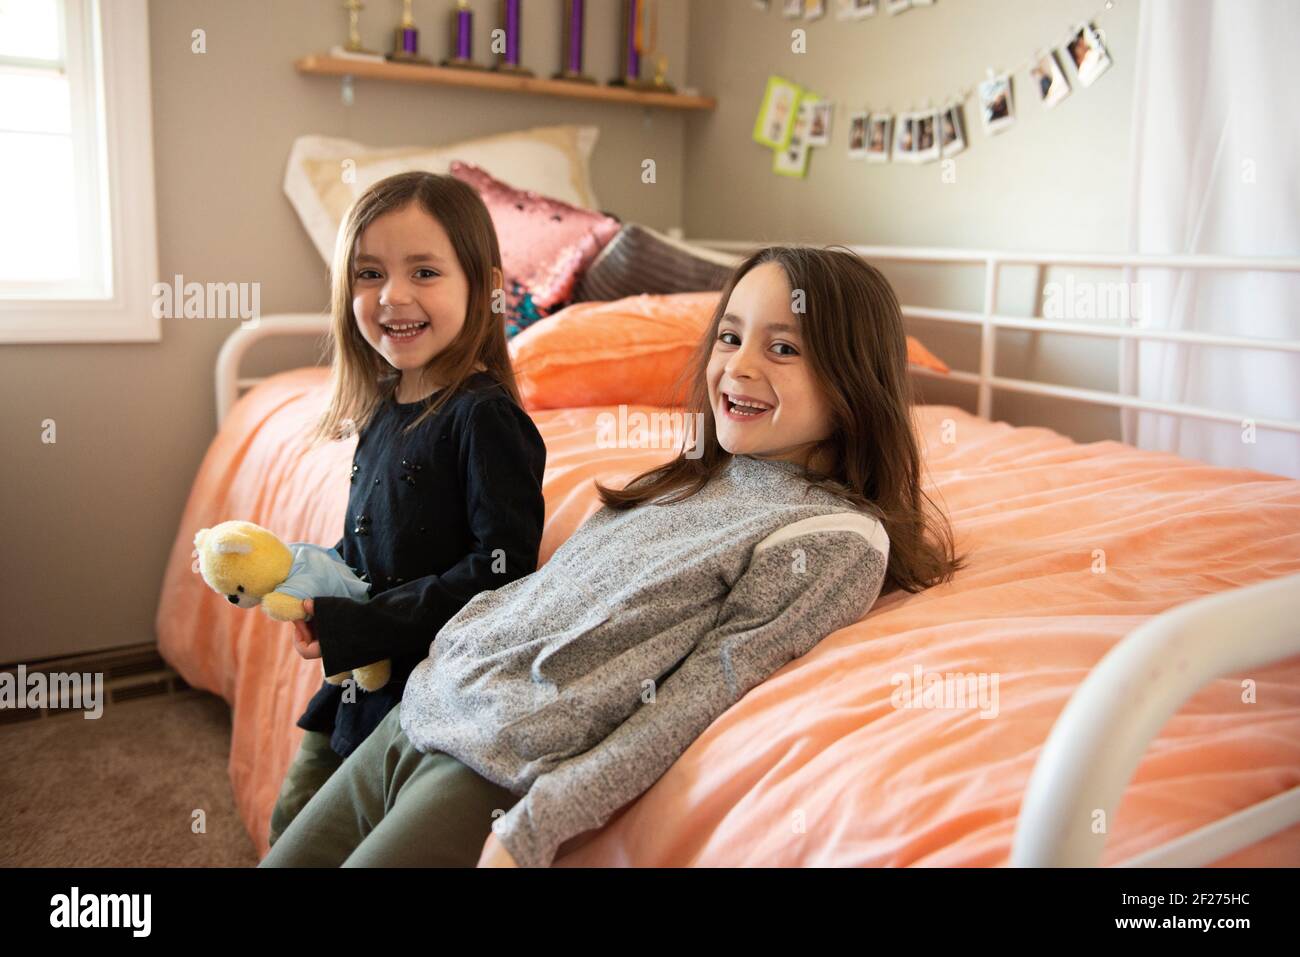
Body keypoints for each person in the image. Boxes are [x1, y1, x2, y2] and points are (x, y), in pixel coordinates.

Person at [260, 245, 964, 868]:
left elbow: (699, 695)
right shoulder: (683, 481)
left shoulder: (830, 538)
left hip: (492, 769)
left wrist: (537, 824)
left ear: (854, 380)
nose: (739, 366)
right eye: (729, 336)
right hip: (421, 707)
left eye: (783, 348)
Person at [264, 171, 547, 848]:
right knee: (291, 816)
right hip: (361, 681)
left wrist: (362, 625)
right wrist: (313, 584)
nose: (394, 297)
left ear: (483, 288)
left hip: (428, 688)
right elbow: (367, 547)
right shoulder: (384, 409)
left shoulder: (484, 419)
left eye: (424, 271)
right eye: (369, 273)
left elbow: (500, 576)